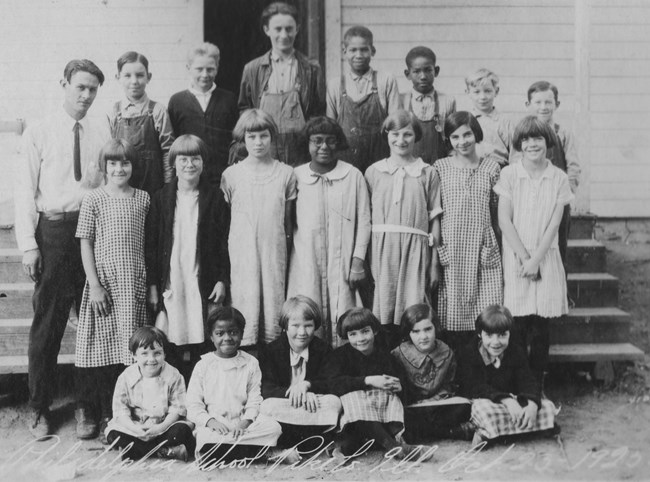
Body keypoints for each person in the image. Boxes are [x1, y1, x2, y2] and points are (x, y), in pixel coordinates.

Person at [14, 59, 110, 438]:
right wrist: (28, 246)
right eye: (80, 87)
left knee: (90, 323)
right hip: (53, 232)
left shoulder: (101, 129)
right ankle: (39, 408)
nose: (86, 96)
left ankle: (87, 407)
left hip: (92, 233)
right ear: (64, 84)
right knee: (48, 324)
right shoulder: (39, 131)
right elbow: (24, 190)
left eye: (93, 90)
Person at [75, 139, 150, 440]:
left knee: (127, 350)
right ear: (104, 167)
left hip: (133, 282)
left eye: (125, 163)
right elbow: (85, 242)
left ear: (133, 166)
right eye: (113, 163)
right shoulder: (93, 198)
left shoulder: (143, 199)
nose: (119, 169)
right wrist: (94, 284)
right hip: (104, 283)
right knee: (100, 349)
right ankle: (96, 409)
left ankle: (122, 411)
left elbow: (149, 243)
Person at [494, 116, 573, 383]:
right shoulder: (509, 174)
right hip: (517, 257)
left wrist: (537, 260)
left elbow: (554, 224)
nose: (531, 144)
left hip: (546, 257)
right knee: (517, 326)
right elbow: (504, 220)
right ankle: (519, 385)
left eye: (537, 138)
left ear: (547, 141)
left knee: (541, 328)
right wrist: (526, 260)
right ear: (518, 143)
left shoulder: (559, 177)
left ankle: (537, 387)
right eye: (525, 139)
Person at [146, 135, 230, 382]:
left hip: (200, 277)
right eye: (183, 159)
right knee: (170, 333)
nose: (189, 164)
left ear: (203, 163)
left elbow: (223, 243)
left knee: (200, 333)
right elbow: (152, 246)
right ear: (173, 162)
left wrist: (222, 280)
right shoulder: (161, 198)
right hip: (172, 279)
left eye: (195, 158)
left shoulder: (214, 198)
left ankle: (198, 392)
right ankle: (173, 391)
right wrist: (152, 285)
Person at [287, 117, 371, 346]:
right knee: (307, 312)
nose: (324, 147)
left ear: (339, 143)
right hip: (306, 260)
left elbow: (364, 220)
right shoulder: (296, 176)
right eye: (317, 141)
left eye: (330, 141)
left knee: (344, 312)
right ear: (308, 143)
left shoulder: (353, 175)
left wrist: (357, 262)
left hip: (342, 262)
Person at [365, 110, 441, 348]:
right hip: (382, 247)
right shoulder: (374, 171)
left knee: (413, 305)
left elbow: (435, 220)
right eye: (395, 134)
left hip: (416, 248)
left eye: (407, 134)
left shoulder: (427, 172)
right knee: (384, 304)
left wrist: (434, 263)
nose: (401, 140)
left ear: (416, 137)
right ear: (386, 135)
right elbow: (365, 216)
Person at [221, 109, 297, 348]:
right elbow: (226, 221)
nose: (258, 142)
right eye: (251, 137)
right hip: (242, 253)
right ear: (243, 139)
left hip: (273, 251)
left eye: (263, 136)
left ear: (272, 137)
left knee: (274, 304)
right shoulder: (231, 175)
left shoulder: (286, 173)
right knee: (246, 302)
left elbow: (288, 222)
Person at [318, 308, 429, 460]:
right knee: (355, 397)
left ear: (375, 331)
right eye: (353, 334)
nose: (360, 338)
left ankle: (347, 448)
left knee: (390, 396)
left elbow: (404, 385)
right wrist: (368, 380)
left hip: (381, 414)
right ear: (346, 336)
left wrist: (400, 387)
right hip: (351, 417)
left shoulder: (385, 357)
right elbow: (331, 384)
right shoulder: (340, 356)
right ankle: (392, 446)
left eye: (365, 331)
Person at [434, 112, 503, 355]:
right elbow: (434, 212)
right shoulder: (440, 168)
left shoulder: (492, 168)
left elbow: (497, 213)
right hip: (452, 249)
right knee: (453, 316)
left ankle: (486, 375)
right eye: (455, 136)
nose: (462, 141)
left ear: (476, 134)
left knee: (487, 314)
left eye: (467, 134)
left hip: (483, 248)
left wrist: (494, 246)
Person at [187, 307, 282, 463]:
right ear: (211, 336)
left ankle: (223, 454)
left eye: (233, 332)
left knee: (273, 427)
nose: (227, 338)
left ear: (242, 334)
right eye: (220, 333)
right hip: (215, 425)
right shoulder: (203, 365)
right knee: (205, 438)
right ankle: (261, 453)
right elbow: (193, 405)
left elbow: (254, 399)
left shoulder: (251, 363)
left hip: (243, 425)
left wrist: (245, 423)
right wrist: (211, 422)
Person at [238, 1, 325, 166]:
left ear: (297, 29)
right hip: (264, 147)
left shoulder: (311, 69)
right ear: (266, 30)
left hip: (300, 149)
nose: (284, 35)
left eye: (289, 29)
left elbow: (318, 112)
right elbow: (245, 110)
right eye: (278, 29)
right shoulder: (253, 69)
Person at [457, 305, 558, 445]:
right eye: (489, 335)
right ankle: (518, 431)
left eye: (502, 335)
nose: (496, 342)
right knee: (485, 411)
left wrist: (533, 403)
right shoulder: (471, 353)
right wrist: (506, 401)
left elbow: (528, 380)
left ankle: (495, 433)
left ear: (510, 333)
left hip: (511, 402)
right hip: (489, 401)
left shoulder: (515, 351)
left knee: (548, 408)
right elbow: (475, 387)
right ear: (480, 334)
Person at [259, 296, 342, 463]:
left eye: (308, 326)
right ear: (285, 326)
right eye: (295, 326)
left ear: (315, 326)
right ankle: (304, 440)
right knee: (266, 406)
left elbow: (331, 381)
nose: (302, 332)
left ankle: (304, 440)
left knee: (334, 402)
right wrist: (294, 393)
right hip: (285, 402)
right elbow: (266, 387)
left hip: (313, 403)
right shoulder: (271, 351)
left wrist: (308, 386)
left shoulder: (323, 349)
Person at [106, 326, 195, 461]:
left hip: (164, 425)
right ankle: (164, 451)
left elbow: (177, 409)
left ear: (164, 353)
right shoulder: (126, 377)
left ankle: (136, 451)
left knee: (181, 431)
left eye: (157, 353)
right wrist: (135, 429)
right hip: (136, 426)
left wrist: (160, 427)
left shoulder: (174, 375)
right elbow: (120, 410)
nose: (151, 359)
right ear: (134, 355)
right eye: (144, 354)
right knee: (113, 434)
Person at [391, 304, 472, 442]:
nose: (423, 336)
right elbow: (399, 388)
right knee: (405, 419)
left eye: (428, 329)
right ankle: (449, 432)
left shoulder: (447, 352)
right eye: (416, 331)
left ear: (436, 328)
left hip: (439, 404)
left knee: (464, 406)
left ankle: (426, 432)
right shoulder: (398, 354)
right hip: (412, 406)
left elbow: (449, 385)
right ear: (408, 333)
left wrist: (433, 401)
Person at [326, 25, 399, 173]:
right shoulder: (335, 85)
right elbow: (331, 128)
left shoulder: (385, 80)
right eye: (353, 50)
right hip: (346, 164)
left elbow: (395, 125)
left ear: (372, 51)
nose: (358, 55)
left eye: (364, 49)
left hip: (380, 161)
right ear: (344, 52)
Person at [523, 81, 580, 264]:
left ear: (557, 104)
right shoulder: (524, 133)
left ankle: (561, 291)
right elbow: (515, 163)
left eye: (548, 102)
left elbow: (573, 166)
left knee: (559, 246)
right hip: (530, 200)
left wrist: (566, 195)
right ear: (528, 105)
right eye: (538, 102)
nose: (543, 107)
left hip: (558, 200)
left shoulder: (562, 133)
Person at [168, 42, 238, 186]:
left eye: (210, 69)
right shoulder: (177, 101)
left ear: (217, 69)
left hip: (223, 175)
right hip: (190, 176)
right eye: (199, 69)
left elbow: (236, 140)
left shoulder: (229, 99)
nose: (205, 75)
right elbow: (172, 142)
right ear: (189, 68)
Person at [108, 51, 174, 195]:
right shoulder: (114, 112)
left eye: (139, 75)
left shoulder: (158, 111)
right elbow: (109, 156)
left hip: (154, 188)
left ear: (148, 77)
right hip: (122, 191)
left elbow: (168, 152)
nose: (134, 81)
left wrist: (168, 189)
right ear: (118, 78)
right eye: (127, 76)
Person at [401, 46, 456, 165]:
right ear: (407, 74)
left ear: (436, 71)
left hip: (440, 165)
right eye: (416, 71)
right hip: (408, 165)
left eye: (428, 70)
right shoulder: (401, 100)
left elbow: (453, 136)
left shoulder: (447, 101)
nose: (423, 76)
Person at [465, 68, 514, 167]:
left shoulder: (505, 122)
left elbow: (515, 154)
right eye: (476, 92)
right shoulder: (464, 121)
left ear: (496, 91)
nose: (482, 97)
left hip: (500, 170)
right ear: (468, 92)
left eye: (487, 91)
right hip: (470, 170)